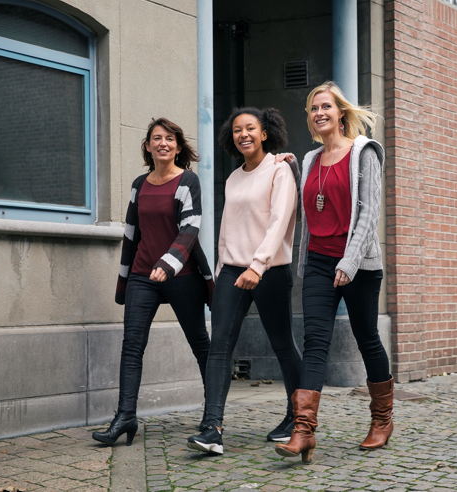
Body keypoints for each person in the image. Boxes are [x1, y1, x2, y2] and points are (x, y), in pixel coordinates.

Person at [275, 81, 393, 463]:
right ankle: (303, 430)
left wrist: (349, 262)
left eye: (325, 106)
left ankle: (382, 420)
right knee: (314, 342)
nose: (319, 113)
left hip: (359, 264)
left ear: (341, 112)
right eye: (313, 108)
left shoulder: (364, 152)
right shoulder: (310, 159)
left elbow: (369, 214)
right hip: (318, 261)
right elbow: (312, 202)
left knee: (366, 337)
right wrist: (291, 167)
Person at [186, 107, 302, 455]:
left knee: (282, 343)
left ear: (265, 133)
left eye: (250, 128)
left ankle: (299, 417)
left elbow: (280, 221)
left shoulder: (280, 170)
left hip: (270, 270)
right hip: (233, 271)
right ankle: (212, 428)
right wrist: (221, 269)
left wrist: (258, 265)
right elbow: (228, 228)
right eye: (237, 130)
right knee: (219, 345)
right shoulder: (234, 177)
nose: (244, 134)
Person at [93, 118, 213, 446]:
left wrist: (167, 263)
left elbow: (190, 229)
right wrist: (126, 277)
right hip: (142, 275)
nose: (163, 143)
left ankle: (212, 416)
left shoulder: (187, 181)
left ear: (178, 146)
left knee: (200, 343)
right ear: (148, 146)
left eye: (170, 138)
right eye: (157, 138)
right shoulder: (139, 184)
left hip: (182, 274)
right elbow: (131, 234)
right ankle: (125, 417)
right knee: (132, 345)